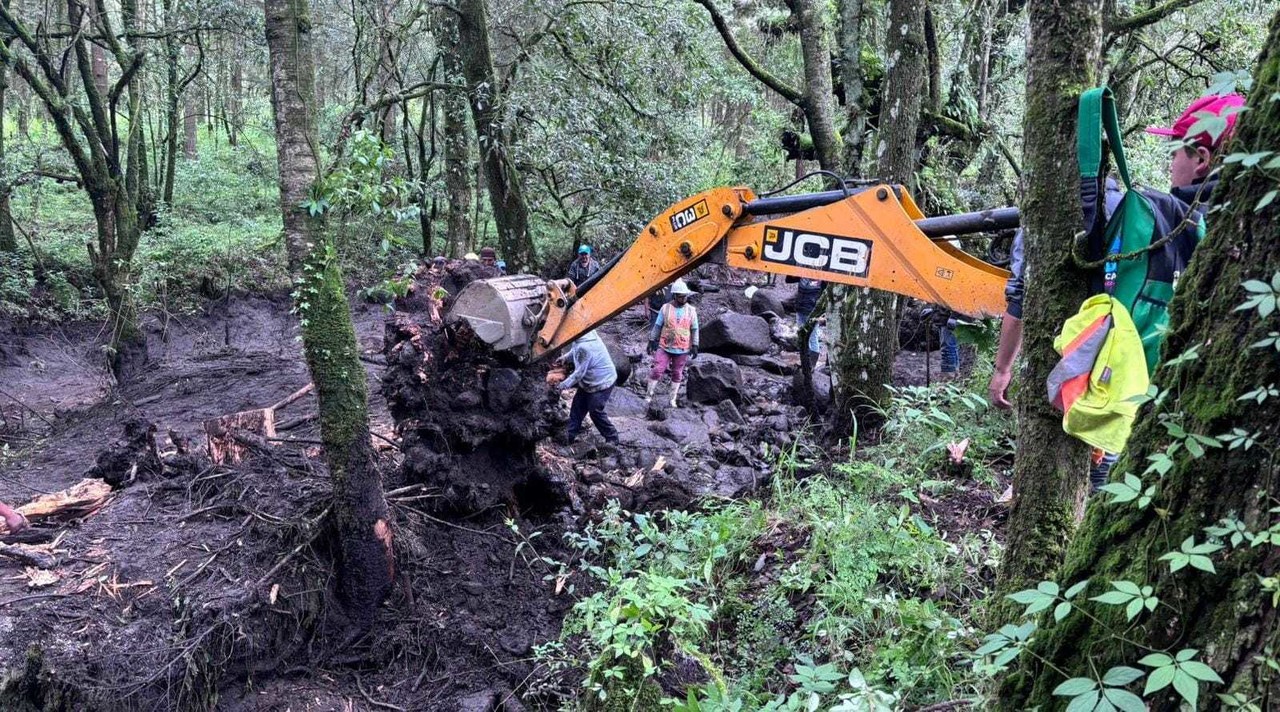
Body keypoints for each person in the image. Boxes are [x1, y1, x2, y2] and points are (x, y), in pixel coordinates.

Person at [989, 92, 1243, 492]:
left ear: (1200, 159)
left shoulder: (1145, 215)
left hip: (1115, 396)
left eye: (1175, 151)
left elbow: (1022, 291)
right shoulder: (1240, 230)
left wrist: (1003, 369)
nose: (1169, 162)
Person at [551, 330, 619, 445]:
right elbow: (575, 349)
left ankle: (612, 438)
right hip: (589, 382)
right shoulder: (586, 334)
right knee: (577, 409)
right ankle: (569, 436)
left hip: (602, 383)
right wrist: (566, 357)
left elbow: (578, 375)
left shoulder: (585, 347)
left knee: (595, 411)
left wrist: (561, 386)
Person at [647, 280, 699, 407]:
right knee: (657, 369)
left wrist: (695, 345)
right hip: (665, 345)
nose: (684, 299)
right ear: (675, 296)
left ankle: (672, 399)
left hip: (682, 347)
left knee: (677, 373)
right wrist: (651, 340)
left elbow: (694, 329)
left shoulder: (691, 311)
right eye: (681, 296)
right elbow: (657, 326)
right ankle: (648, 395)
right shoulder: (665, 308)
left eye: (685, 296)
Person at [794, 277, 823, 357]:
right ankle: (805, 361)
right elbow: (789, 279)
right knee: (802, 337)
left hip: (812, 312)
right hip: (800, 309)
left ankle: (813, 362)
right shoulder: (803, 274)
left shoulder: (822, 279)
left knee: (813, 337)